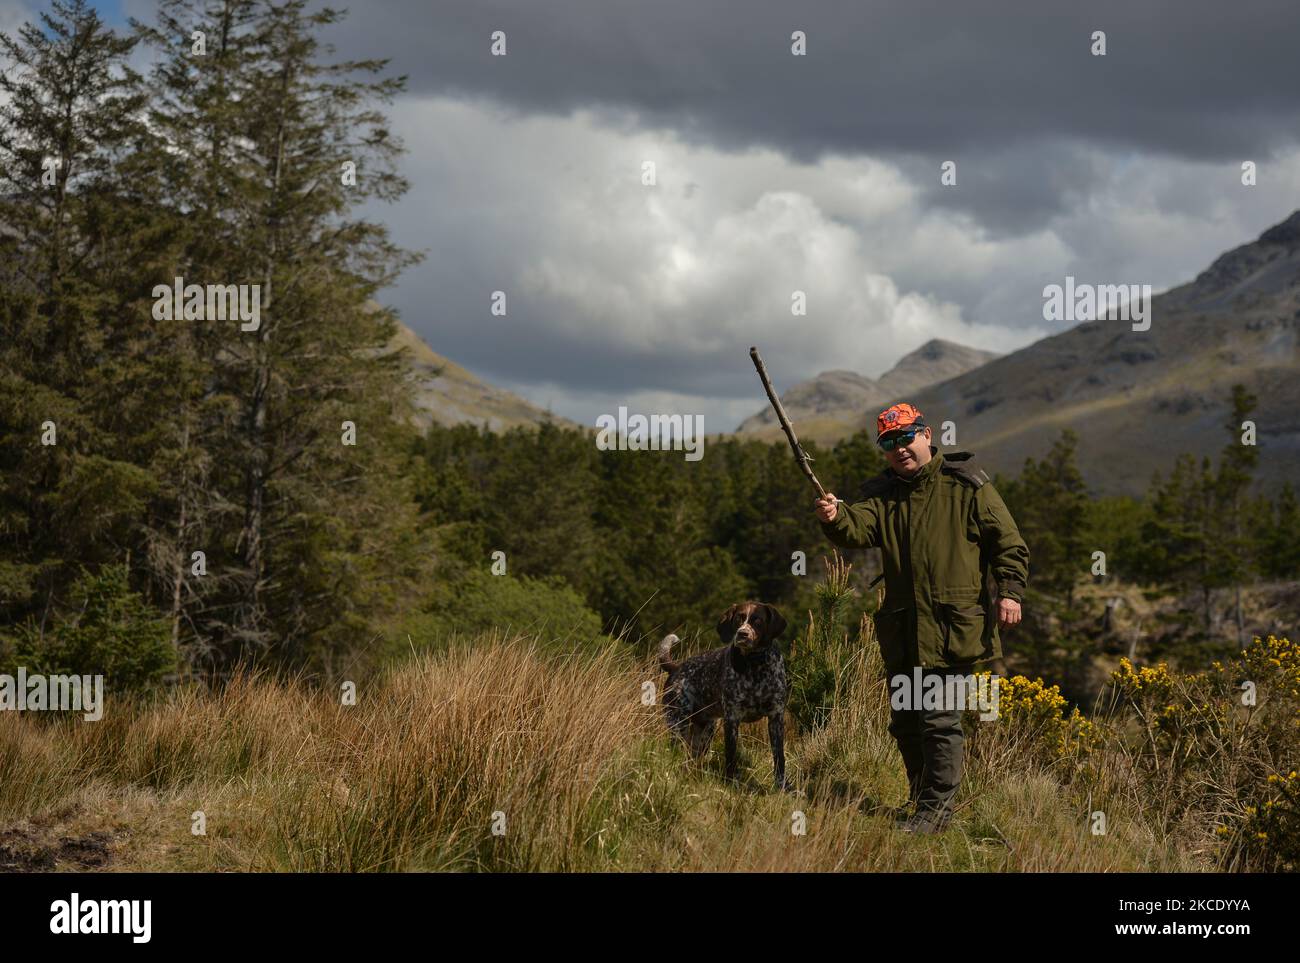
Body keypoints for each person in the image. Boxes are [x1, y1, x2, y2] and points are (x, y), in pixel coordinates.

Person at [814, 402, 1029, 834]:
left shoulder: (968, 485)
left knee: (939, 722)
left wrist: (1009, 593)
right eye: (889, 443)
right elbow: (857, 528)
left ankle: (935, 814)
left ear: (927, 435)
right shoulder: (882, 493)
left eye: (906, 437)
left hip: (954, 628)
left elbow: (1008, 544)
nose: (899, 449)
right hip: (903, 630)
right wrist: (835, 516)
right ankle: (921, 801)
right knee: (906, 722)